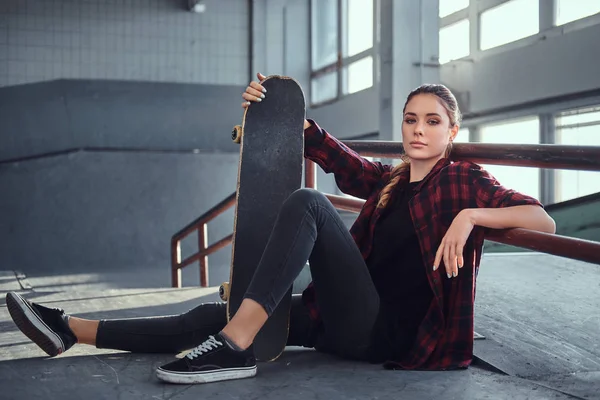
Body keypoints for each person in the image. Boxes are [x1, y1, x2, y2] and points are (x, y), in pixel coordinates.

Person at [6, 72, 556, 385]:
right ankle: (71, 330)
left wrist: (470, 216)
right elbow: (349, 165)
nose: (418, 129)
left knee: (310, 203)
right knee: (211, 315)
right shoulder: (391, 184)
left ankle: (236, 347)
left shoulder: (462, 180)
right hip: (341, 319)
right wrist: (280, 113)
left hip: (388, 334)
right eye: (411, 119)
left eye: (432, 121)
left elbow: (543, 218)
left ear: (452, 131)